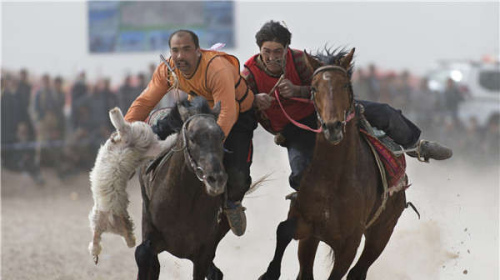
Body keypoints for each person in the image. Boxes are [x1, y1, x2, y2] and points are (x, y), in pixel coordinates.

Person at [241, 21, 452, 193]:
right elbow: (240, 101)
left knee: (385, 113)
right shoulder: (249, 75)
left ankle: (417, 147)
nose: (272, 57)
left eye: (277, 51)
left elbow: (325, 86)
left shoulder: (300, 60)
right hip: (294, 129)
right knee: (299, 174)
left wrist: (297, 91)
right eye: (266, 51)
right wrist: (254, 100)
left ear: (286, 49)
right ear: (259, 49)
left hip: (324, 110)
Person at [124, 29, 257, 236]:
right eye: (175, 50)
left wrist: (211, 146)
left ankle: (233, 204)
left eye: (186, 50)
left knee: (237, 176)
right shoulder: (168, 69)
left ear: (197, 51)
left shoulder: (216, 68)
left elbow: (228, 113)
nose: (179, 56)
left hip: (236, 114)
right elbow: (145, 101)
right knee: (157, 131)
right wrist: (125, 131)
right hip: (201, 108)